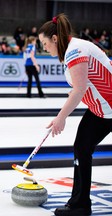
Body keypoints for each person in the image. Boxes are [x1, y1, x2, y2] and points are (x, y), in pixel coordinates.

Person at [38, 13, 112, 216]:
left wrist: (61, 117)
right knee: (81, 148)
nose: (44, 48)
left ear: (54, 39)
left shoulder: (74, 50)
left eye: (44, 43)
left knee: (82, 148)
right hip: (102, 110)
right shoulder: (71, 50)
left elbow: (80, 89)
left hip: (109, 108)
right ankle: (80, 204)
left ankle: (80, 203)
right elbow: (82, 87)